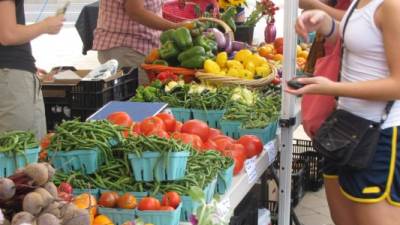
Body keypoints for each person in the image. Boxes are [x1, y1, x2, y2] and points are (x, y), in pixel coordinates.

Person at [289, 0, 400, 224]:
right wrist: (326, 23)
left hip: (378, 138)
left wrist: (332, 88)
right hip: (345, 131)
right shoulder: (361, 2)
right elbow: (363, 38)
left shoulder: (392, 6)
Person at [0, 0, 64, 140]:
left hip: (13, 72)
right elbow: (8, 34)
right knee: (19, 151)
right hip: (11, 76)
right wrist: (45, 26)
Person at [93, 0, 190, 85]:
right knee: (138, 101)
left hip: (134, 47)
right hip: (126, 49)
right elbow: (135, 11)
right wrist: (175, 27)